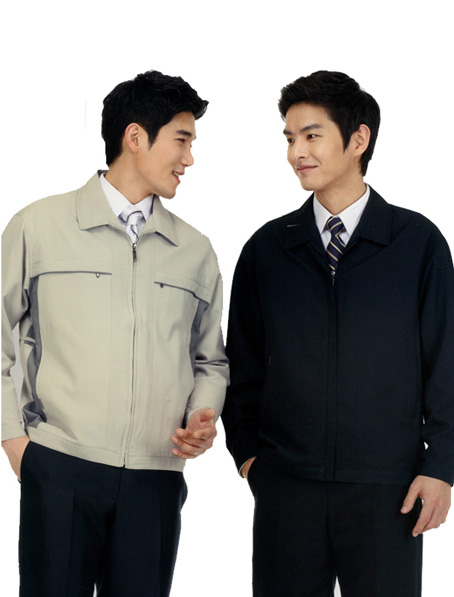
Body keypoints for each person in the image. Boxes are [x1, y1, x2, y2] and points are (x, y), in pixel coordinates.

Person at [222, 70, 454, 596]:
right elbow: (242, 367)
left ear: (358, 140)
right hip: (287, 488)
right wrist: (251, 459)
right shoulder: (267, 249)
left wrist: (441, 466)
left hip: (388, 490)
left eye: (312, 135)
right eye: (289, 138)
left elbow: (446, 363)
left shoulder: (417, 243)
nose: (296, 152)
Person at [2, 69, 229, 596]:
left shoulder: (194, 250)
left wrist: (203, 413)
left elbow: (210, 360)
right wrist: (16, 442)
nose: (189, 159)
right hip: (60, 466)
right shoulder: (39, 225)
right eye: (182, 140)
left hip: (156, 478)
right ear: (134, 137)